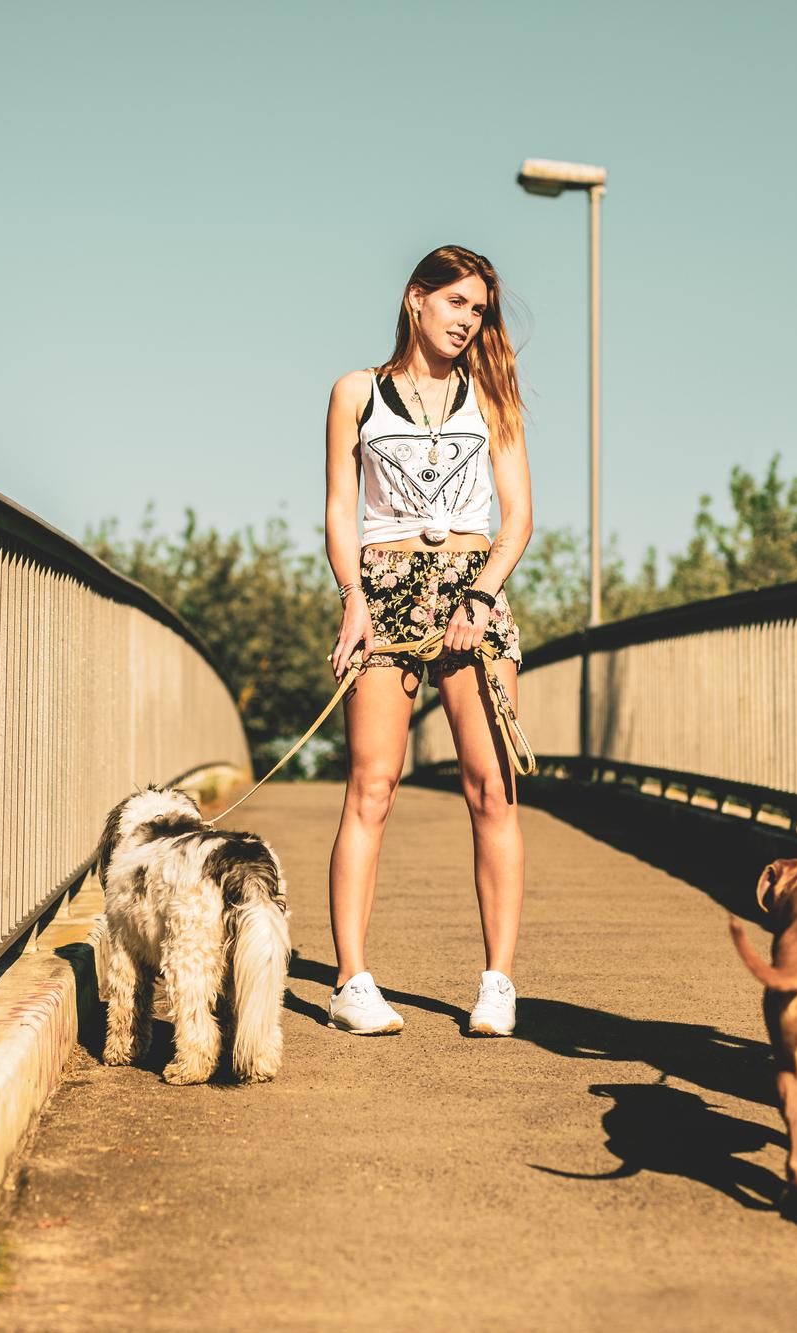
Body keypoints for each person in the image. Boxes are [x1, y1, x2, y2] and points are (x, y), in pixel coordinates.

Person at [320, 245, 534, 1038]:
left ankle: (498, 982)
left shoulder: (492, 397)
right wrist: (353, 600)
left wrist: (479, 595)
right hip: (383, 589)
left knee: (491, 787)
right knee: (372, 786)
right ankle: (350, 980)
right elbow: (343, 508)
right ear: (417, 300)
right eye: (456, 303)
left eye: (478, 310)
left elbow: (518, 518)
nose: (467, 321)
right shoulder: (356, 393)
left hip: (473, 590)